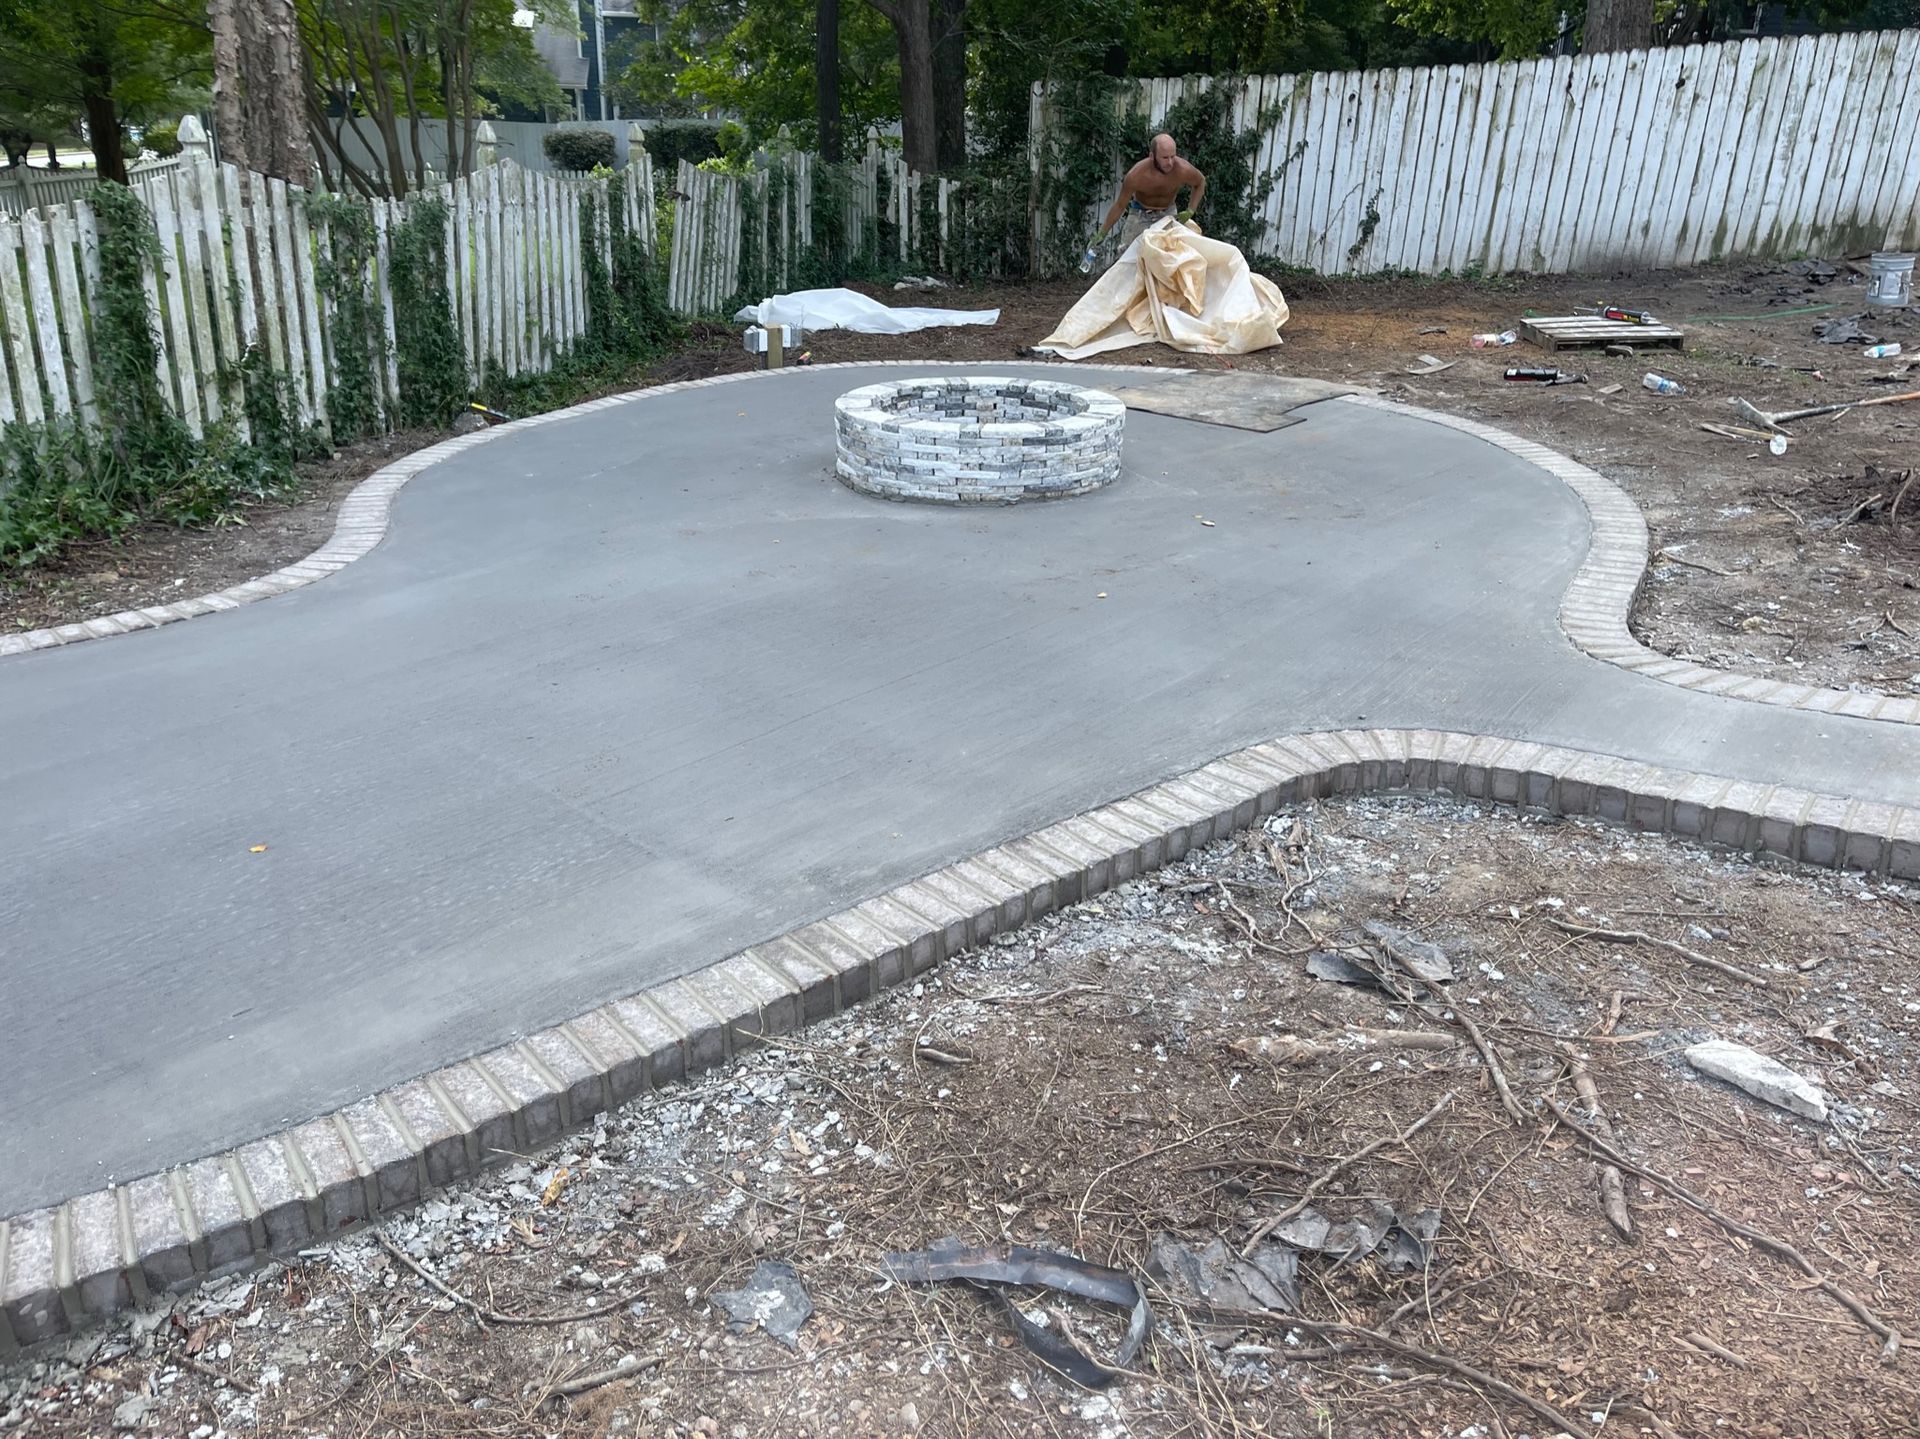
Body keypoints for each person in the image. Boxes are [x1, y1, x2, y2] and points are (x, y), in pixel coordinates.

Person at [1086, 134, 1207, 262]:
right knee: (1127, 258)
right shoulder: (1136, 175)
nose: (1170, 163)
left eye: (1173, 156)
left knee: (1173, 259)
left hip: (1168, 214)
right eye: (1165, 158)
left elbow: (1200, 182)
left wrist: (1190, 210)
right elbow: (1120, 205)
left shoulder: (1182, 169)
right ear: (1152, 156)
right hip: (1140, 214)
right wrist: (1102, 233)